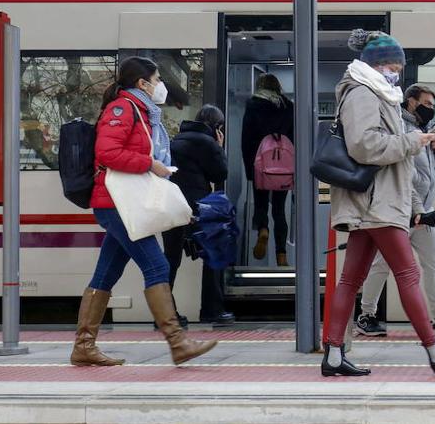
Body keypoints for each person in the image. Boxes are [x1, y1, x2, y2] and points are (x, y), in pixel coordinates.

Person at [321, 30, 435, 376]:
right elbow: (364, 146)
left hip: (376, 201)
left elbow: (383, 154)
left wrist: (415, 201)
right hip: (377, 203)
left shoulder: (375, 92)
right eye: (393, 64)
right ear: (376, 64)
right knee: (408, 272)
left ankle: (332, 356)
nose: (397, 72)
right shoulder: (362, 93)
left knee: (350, 280)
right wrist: (411, 141)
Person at [70, 56, 218, 367]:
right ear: (142, 83)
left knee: (106, 273)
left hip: (121, 204)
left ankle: (84, 346)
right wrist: (150, 164)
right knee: (157, 267)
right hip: (118, 204)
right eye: (157, 79)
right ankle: (178, 343)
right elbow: (107, 153)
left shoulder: (141, 111)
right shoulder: (123, 109)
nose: (160, 85)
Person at [355, 84, 435, 338]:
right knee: (382, 264)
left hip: (425, 211)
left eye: (433, 104)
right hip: (399, 211)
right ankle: (366, 315)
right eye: (427, 104)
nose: (431, 109)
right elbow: (403, 178)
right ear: (411, 102)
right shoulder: (400, 130)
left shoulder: (423, 132)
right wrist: (417, 210)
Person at [163, 104, 234, 328]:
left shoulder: (175, 140)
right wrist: (219, 147)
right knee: (215, 252)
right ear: (217, 127)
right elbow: (220, 173)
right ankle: (212, 309)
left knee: (171, 259)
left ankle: (165, 312)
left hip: (172, 203)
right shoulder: (207, 142)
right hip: (197, 205)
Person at [240, 73, 294, 267]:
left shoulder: (254, 105)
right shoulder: (288, 107)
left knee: (261, 204)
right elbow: (295, 139)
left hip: (260, 164)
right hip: (284, 167)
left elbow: (246, 140)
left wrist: (249, 170)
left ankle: (263, 229)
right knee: (279, 210)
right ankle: (282, 255)